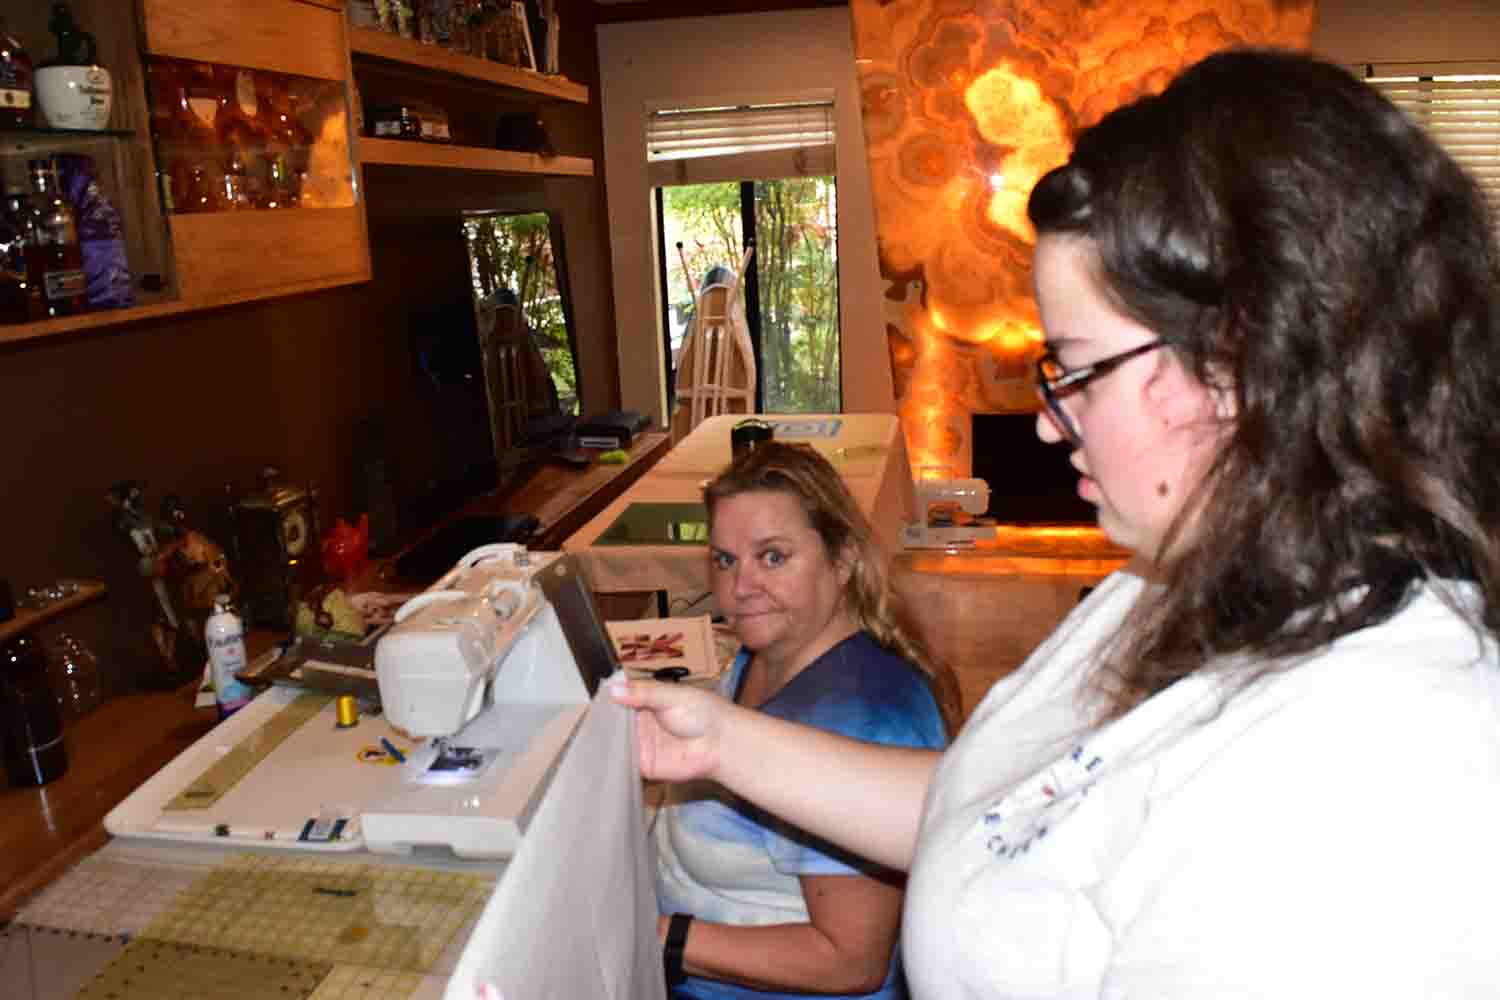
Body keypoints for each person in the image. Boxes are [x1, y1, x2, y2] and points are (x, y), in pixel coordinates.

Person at [613, 47, 1500, 997]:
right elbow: (1006, 815)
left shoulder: (1383, 778)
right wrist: (720, 741)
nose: (1046, 420)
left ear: (1237, 370)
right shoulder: (1176, 584)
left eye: (1076, 369)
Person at [654, 440, 956, 999]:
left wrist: (663, 940)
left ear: (842, 561)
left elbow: (852, 961)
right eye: (725, 560)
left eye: (772, 557)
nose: (741, 588)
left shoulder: (858, 718)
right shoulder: (768, 653)